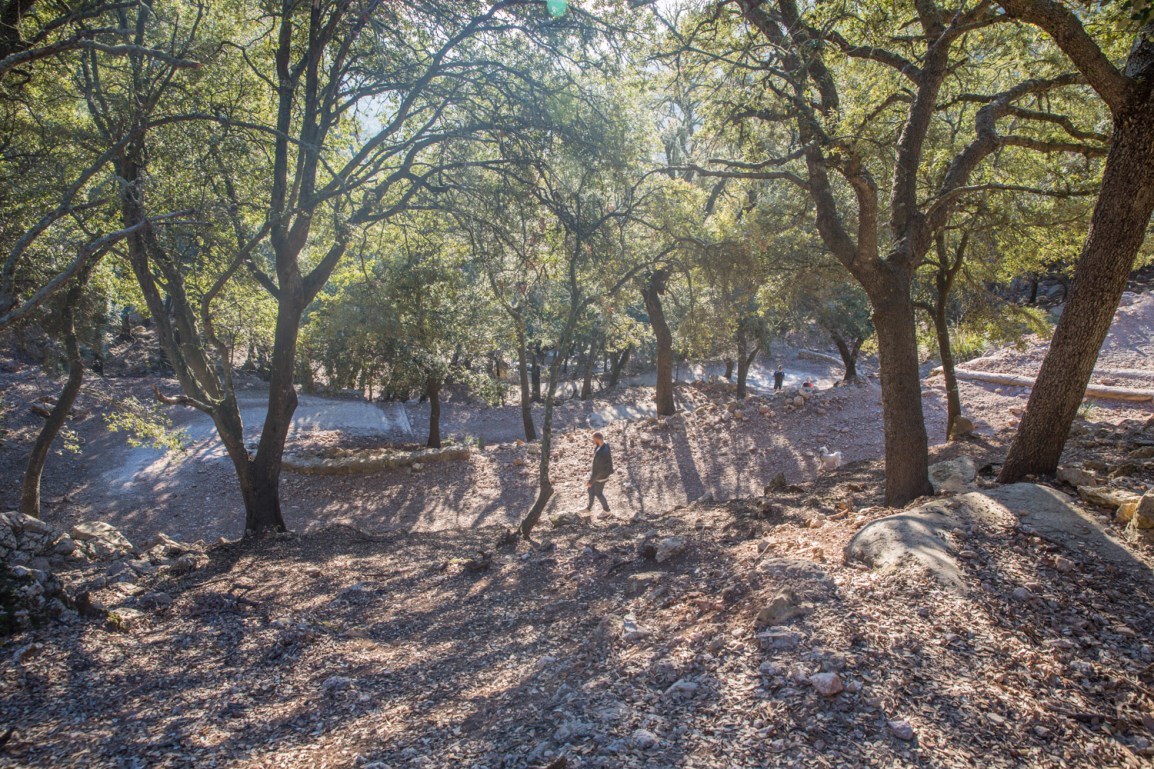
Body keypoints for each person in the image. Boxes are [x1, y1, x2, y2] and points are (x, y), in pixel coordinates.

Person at [586, 431, 613, 513]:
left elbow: (599, 472)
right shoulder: (605, 443)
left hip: (601, 477)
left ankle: (607, 511)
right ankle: (588, 508)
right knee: (590, 490)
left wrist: (591, 481)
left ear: (597, 440)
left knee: (598, 493)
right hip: (599, 474)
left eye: (593, 439)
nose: (593, 441)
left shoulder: (602, 453)